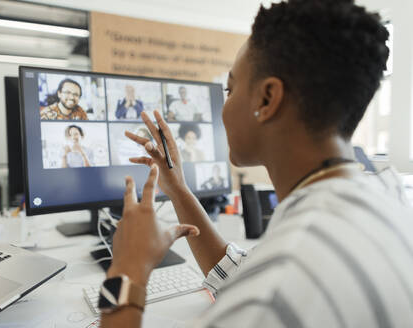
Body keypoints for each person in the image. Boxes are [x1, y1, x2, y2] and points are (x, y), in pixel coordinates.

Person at [103, 0, 413, 327]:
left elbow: (267, 289)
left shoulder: (277, 286)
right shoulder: (389, 195)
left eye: (230, 88)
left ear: (266, 100)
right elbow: (242, 275)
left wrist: (126, 270)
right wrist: (177, 187)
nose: (224, 106)